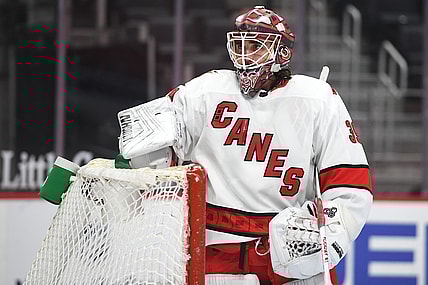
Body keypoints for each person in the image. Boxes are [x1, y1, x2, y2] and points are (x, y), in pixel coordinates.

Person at [119, 5, 373, 285]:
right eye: (240, 45)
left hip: (289, 263)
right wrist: (151, 173)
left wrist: (326, 232)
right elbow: (141, 146)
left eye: (255, 46)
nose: (245, 56)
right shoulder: (205, 92)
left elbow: (351, 188)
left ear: (282, 54)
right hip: (214, 258)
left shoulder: (319, 101)